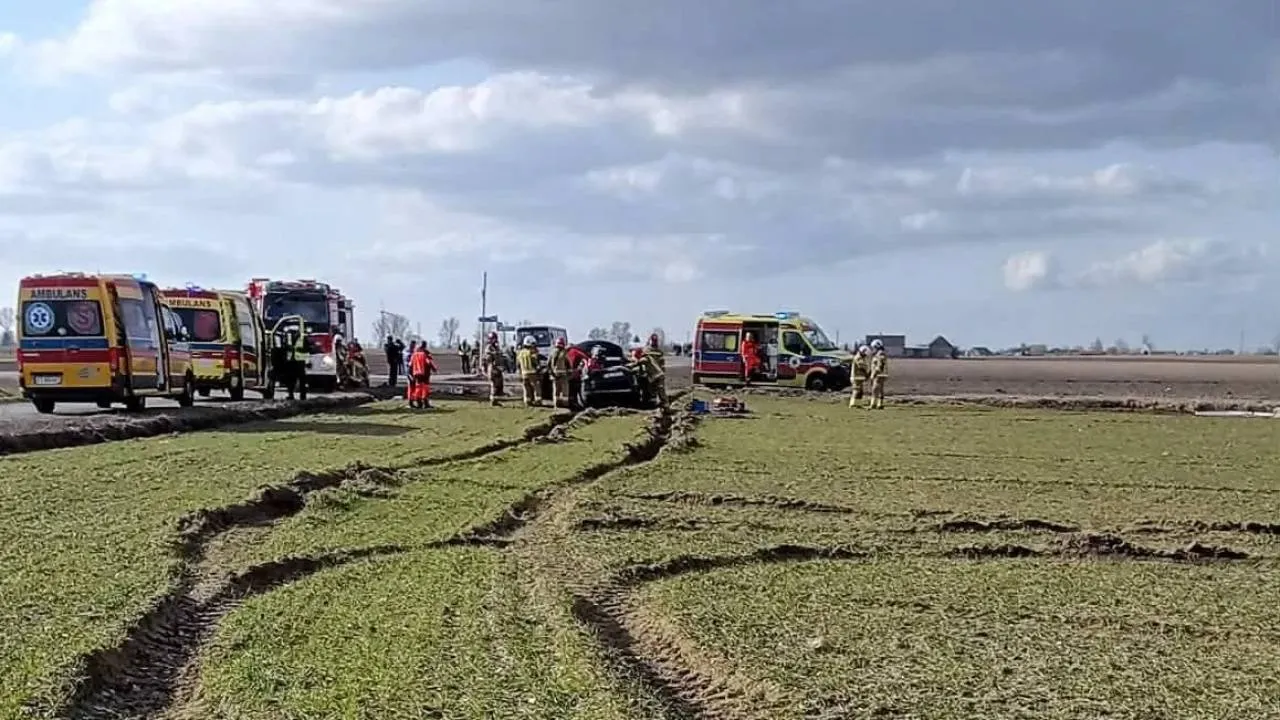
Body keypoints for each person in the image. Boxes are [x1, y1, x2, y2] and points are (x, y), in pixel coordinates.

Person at [409, 344, 438, 409]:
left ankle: (419, 402)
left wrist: (410, 373)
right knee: (425, 388)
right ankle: (425, 402)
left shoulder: (414, 355)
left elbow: (410, 365)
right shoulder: (424, 354)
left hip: (416, 373)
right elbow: (428, 362)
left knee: (418, 387)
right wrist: (434, 369)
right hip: (424, 373)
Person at [516, 335, 541, 406]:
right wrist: (538, 367)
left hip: (524, 373)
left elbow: (518, 364)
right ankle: (538, 400)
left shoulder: (520, 353)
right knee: (536, 387)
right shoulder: (531, 352)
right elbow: (534, 362)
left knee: (526, 387)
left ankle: (527, 401)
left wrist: (519, 372)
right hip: (532, 372)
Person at [548, 336, 572, 407]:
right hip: (563, 375)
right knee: (565, 391)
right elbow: (568, 364)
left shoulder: (552, 353)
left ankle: (556, 404)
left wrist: (551, 373)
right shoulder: (564, 353)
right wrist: (570, 373)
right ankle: (565, 404)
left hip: (554, 376)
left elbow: (548, 364)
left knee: (556, 391)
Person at [482, 332, 504, 406]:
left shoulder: (496, 347)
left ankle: (495, 399)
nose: (495, 340)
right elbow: (487, 358)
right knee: (494, 384)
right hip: (492, 367)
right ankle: (493, 399)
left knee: (498, 384)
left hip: (497, 368)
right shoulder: (489, 347)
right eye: (493, 338)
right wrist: (495, 354)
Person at [868, 339, 888, 409]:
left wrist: (874, 374)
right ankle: (880, 404)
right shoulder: (878, 354)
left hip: (879, 375)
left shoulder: (880, 354)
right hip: (880, 374)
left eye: (873, 347)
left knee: (875, 389)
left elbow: (880, 366)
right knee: (880, 390)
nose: (872, 349)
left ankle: (873, 404)